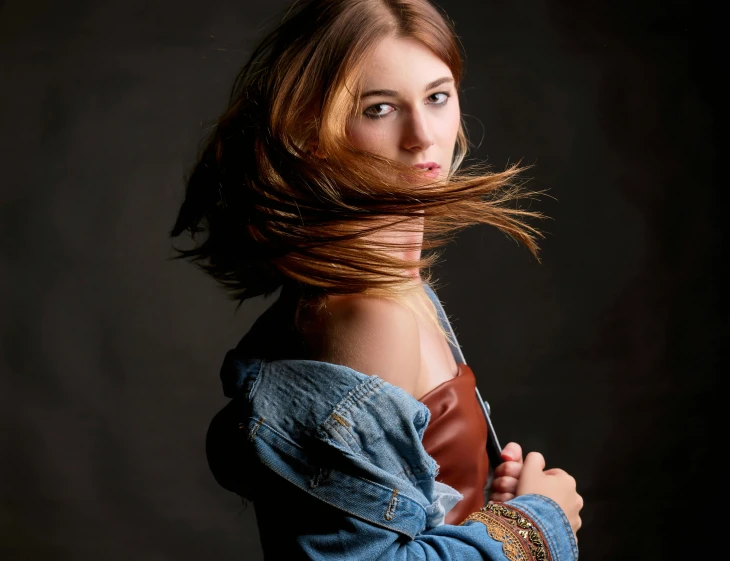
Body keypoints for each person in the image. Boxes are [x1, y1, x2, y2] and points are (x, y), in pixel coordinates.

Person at [170, 0, 583, 559]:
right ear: (311, 131)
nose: (421, 135)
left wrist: (491, 508)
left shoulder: (402, 288)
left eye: (437, 97)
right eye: (380, 108)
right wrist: (535, 523)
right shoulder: (370, 313)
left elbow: (416, 512)